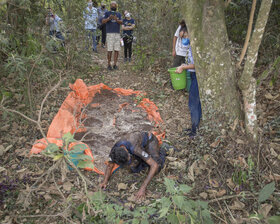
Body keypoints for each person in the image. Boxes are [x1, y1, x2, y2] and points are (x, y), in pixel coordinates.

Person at [100, 132, 165, 200]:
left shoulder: (135, 148)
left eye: (129, 158)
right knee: (133, 168)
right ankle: (143, 158)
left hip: (150, 140)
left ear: (127, 152)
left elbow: (154, 165)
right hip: (137, 147)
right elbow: (110, 166)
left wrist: (143, 188)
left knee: (157, 168)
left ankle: (163, 151)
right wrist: (105, 181)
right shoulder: (114, 152)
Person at [176, 27, 202, 138]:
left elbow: (199, 64)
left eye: (185, 36)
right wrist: (184, 66)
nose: (184, 39)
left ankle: (194, 131)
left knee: (193, 103)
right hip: (192, 74)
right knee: (196, 103)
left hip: (198, 76)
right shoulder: (191, 45)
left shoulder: (197, 45)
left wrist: (184, 67)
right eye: (182, 37)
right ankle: (194, 127)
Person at [102, 1, 122, 70]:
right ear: (110, 6)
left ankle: (115, 64)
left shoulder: (118, 14)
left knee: (117, 50)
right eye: (112, 5)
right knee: (109, 50)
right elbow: (103, 21)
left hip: (117, 33)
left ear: (116, 6)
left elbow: (122, 22)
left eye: (114, 5)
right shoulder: (107, 13)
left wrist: (116, 19)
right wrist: (109, 18)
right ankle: (109, 64)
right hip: (109, 33)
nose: (113, 6)